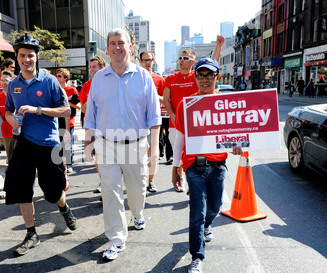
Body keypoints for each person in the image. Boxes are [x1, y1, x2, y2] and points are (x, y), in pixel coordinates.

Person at [84, 28, 161, 261]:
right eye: (112, 43)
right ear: (106, 49)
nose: (117, 47)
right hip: (106, 144)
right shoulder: (98, 79)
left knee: (137, 189)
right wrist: (89, 144)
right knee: (111, 192)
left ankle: (137, 213)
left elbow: (154, 117)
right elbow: (91, 115)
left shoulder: (143, 76)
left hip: (136, 144)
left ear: (130, 47)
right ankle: (117, 238)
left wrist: (154, 149)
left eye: (121, 43)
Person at [4, 33, 77, 257]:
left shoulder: (49, 82)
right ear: (17, 58)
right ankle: (31, 233)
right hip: (24, 142)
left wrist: (37, 110)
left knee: (53, 191)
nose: (27, 60)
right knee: (21, 190)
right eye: (23, 55)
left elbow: (67, 110)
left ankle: (63, 208)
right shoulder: (13, 85)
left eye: (31, 56)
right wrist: (9, 118)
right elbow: (7, 110)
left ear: (37, 57)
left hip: (48, 143)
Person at [173, 57, 243, 273]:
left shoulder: (225, 104)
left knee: (214, 206)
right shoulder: (186, 104)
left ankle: (208, 224)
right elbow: (180, 136)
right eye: (201, 75)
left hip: (218, 165)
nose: (205, 79)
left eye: (209, 75)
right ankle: (197, 257)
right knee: (197, 212)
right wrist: (175, 166)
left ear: (217, 77)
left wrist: (237, 147)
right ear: (195, 77)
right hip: (194, 165)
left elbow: (234, 137)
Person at [165, 35, 225, 193]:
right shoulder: (171, 78)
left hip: (199, 122)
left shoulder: (198, 75)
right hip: (177, 121)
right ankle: (184, 177)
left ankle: (193, 180)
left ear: (193, 61)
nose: (181, 60)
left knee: (196, 151)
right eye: (180, 57)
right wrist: (172, 114)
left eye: (185, 57)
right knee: (181, 151)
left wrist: (218, 46)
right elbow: (166, 99)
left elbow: (213, 65)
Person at [80, 55, 107, 194]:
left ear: (102, 68)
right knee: (98, 156)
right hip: (92, 126)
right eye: (90, 67)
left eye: (94, 67)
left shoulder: (109, 82)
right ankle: (103, 181)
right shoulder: (86, 86)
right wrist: (92, 97)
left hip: (108, 126)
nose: (91, 70)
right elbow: (83, 109)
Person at [140, 50, 165, 193]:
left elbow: (166, 99)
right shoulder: (135, 77)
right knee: (138, 151)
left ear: (153, 61)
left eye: (150, 60)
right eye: (145, 60)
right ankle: (139, 179)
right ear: (141, 62)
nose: (147, 63)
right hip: (137, 120)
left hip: (154, 119)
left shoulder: (159, 80)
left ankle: (151, 181)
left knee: (153, 151)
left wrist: (154, 95)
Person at [56, 68, 81, 173]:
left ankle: (69, 164)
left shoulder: (72, 90)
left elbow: (78, 106)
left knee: (67, 144)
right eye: (56, 76)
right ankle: (60, 165)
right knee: (57, 144)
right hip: (56, 120)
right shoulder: (54, 89)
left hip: (68, 121)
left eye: (59, 76)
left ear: (65, 78)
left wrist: (67, 101)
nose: (57, 78)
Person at [0, 70, 15, 162]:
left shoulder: (17, 95)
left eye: (6, 80)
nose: (3, 83)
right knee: (10, 158)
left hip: (20, 131)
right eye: (2, 80)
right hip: (6, 132)